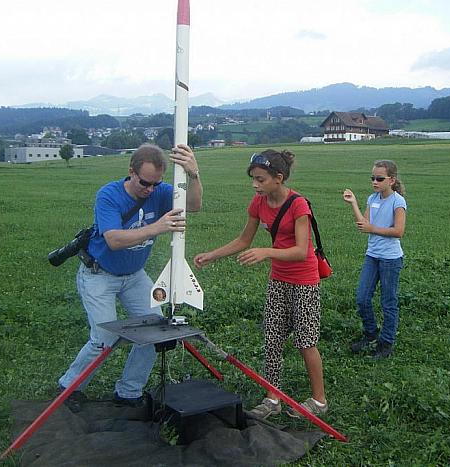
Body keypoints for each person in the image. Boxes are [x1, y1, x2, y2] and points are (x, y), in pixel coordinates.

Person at [58, 143, 202, 409]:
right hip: (99, 274)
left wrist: (194, 174)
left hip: (134, 275)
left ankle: (128, 392)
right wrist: (156, 227)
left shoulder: (159, 192)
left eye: (156, 184)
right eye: (145, 183)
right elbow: (113, 240)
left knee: (154, 331)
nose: (150, 189)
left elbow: (192, 205)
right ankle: (70, 387)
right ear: (131, 172)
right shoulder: (109, 195)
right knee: (104, 338)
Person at [194, 149, 328, 419]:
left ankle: (319, 400)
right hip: (278, 279)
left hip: (304, 280)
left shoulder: (299, 205)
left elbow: (302, 251)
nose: (255, 185)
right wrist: (213, 255)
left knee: (305, 341)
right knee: (272, 338)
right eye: (253, 179)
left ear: (278, 178)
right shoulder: (258, 203)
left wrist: (266, 252)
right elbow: (244, 240)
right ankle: (272, 397)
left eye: (260, 180)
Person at [342, 160, 406, 359]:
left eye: (379, 178)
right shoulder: (372, 198)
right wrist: (353, 203)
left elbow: (398, 231)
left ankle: (386, 343)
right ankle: (371, 334)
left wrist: (373, 229)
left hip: (390, 259)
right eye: (372, 178)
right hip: (372, 255)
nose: (375, 182)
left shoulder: (398, 202)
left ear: (392, 180)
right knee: (362, 298)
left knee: (388, 301)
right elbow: (364, 225)